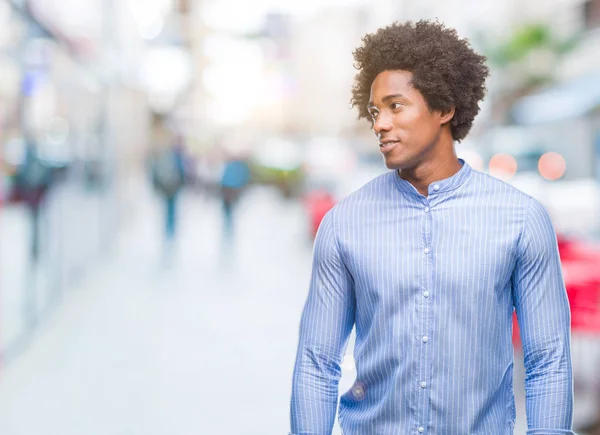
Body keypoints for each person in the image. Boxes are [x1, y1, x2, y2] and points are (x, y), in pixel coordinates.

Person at [290, 20, 574, 435]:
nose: (379, 125)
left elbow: (548, 360)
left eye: (395, 106)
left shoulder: (521, 220)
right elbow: (316, 361)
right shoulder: (344, 224)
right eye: (374, 111)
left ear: (444, 108)